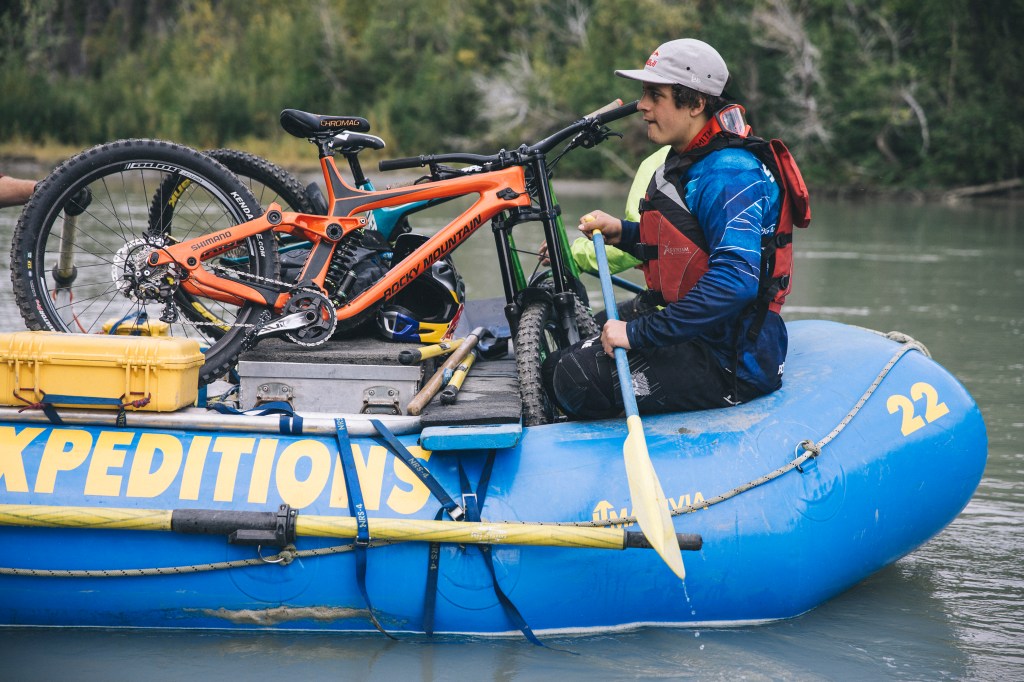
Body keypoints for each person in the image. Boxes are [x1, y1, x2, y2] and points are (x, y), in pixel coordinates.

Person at [543, 38, 809, 419]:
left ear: (697, 103)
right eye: (644, 93)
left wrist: (637, 335)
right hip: (699, 331)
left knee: (573, 379)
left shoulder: (729, 172)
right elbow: (687, 244)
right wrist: (626, 232)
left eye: (655, 95)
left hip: (731, 359)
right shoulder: (688, 158)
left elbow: (735, 281)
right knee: (555, 365)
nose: (643, 107)